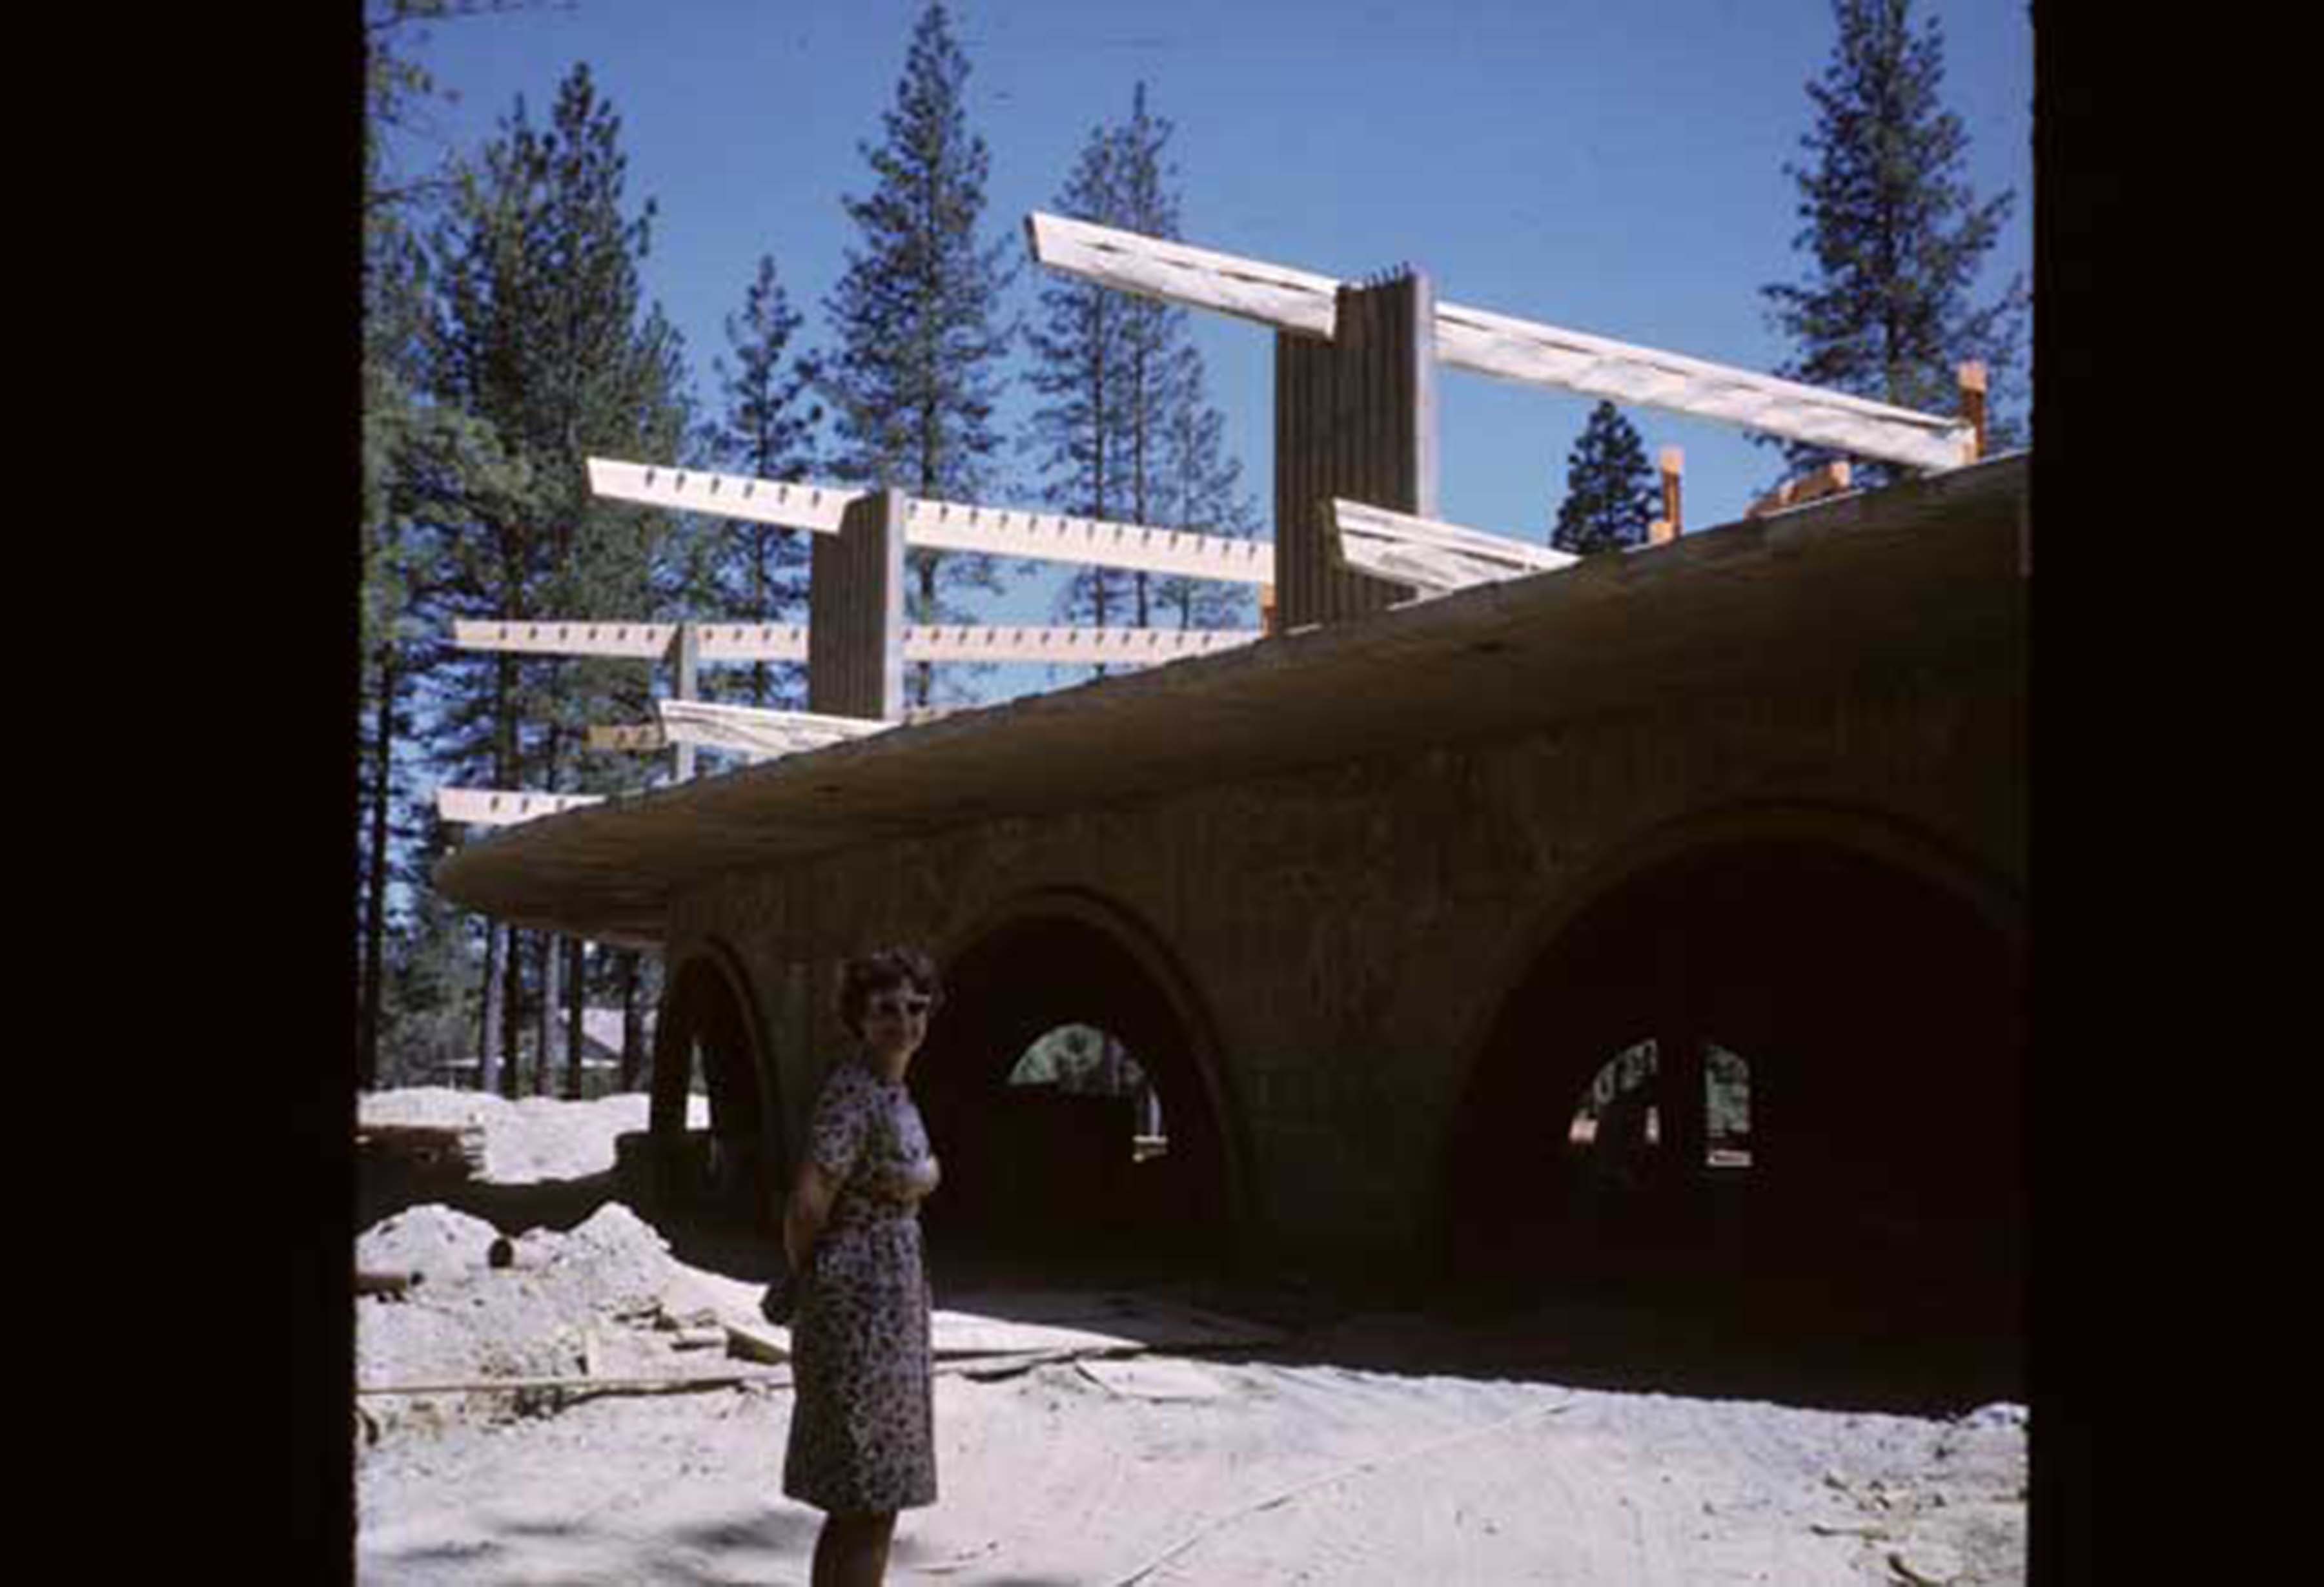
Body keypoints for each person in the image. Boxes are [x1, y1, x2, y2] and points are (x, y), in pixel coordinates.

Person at [781, 947, 945, 1587]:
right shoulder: (852, 1093)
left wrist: (921, 1178)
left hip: (891, 1313)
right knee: (862, 1498)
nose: (903, 1021)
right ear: (860, 1017)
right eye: (886, 1009)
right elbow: (806, 1202)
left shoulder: (893, 1090)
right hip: (859, 1316)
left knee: (879, 1497)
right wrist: (812, 1287)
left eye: (915, 1007)